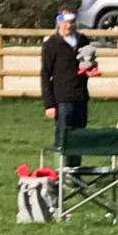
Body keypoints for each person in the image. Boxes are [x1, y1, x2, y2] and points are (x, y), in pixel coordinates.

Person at [40, 9, 92, 167]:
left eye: (71, 22)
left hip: (80, 96)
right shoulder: (51, 45)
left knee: (79, 136)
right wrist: (49, 103)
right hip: (62, 98)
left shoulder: (83, 41)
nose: (68, 26)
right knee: (63, 136)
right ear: (59, 23)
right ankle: (61, 171)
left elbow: (89, 60)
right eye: (65, 22)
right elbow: (45, 74)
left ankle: (76, 170)